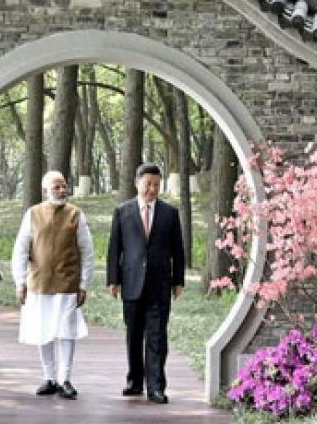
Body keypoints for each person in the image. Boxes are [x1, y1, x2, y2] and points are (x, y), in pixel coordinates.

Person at [11, 170, 94, 400]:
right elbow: (20, 249)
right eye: (56, 187)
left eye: (64, 186)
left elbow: (87, 251)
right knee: (43, 330)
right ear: (45, 190)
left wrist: (84, 283)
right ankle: (49, 378)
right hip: (38, 282)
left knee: (66, 332)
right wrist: (20, 281)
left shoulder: (76, 214)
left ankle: (64, 379)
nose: (62, 190)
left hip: (68, 283)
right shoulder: (33, 214)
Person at [106, 163, 186, 404]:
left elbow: (178, 251)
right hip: (131, 284)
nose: (152, 189)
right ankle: (134, 381)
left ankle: (156, 387)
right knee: (133, 336)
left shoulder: (169, 213)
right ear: (137, 183)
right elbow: (114, 249)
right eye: (148, 184)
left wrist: (178, 280)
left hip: (160, 285)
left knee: (157, 337)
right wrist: (113, 280)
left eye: (156, 185)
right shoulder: (122, 211)